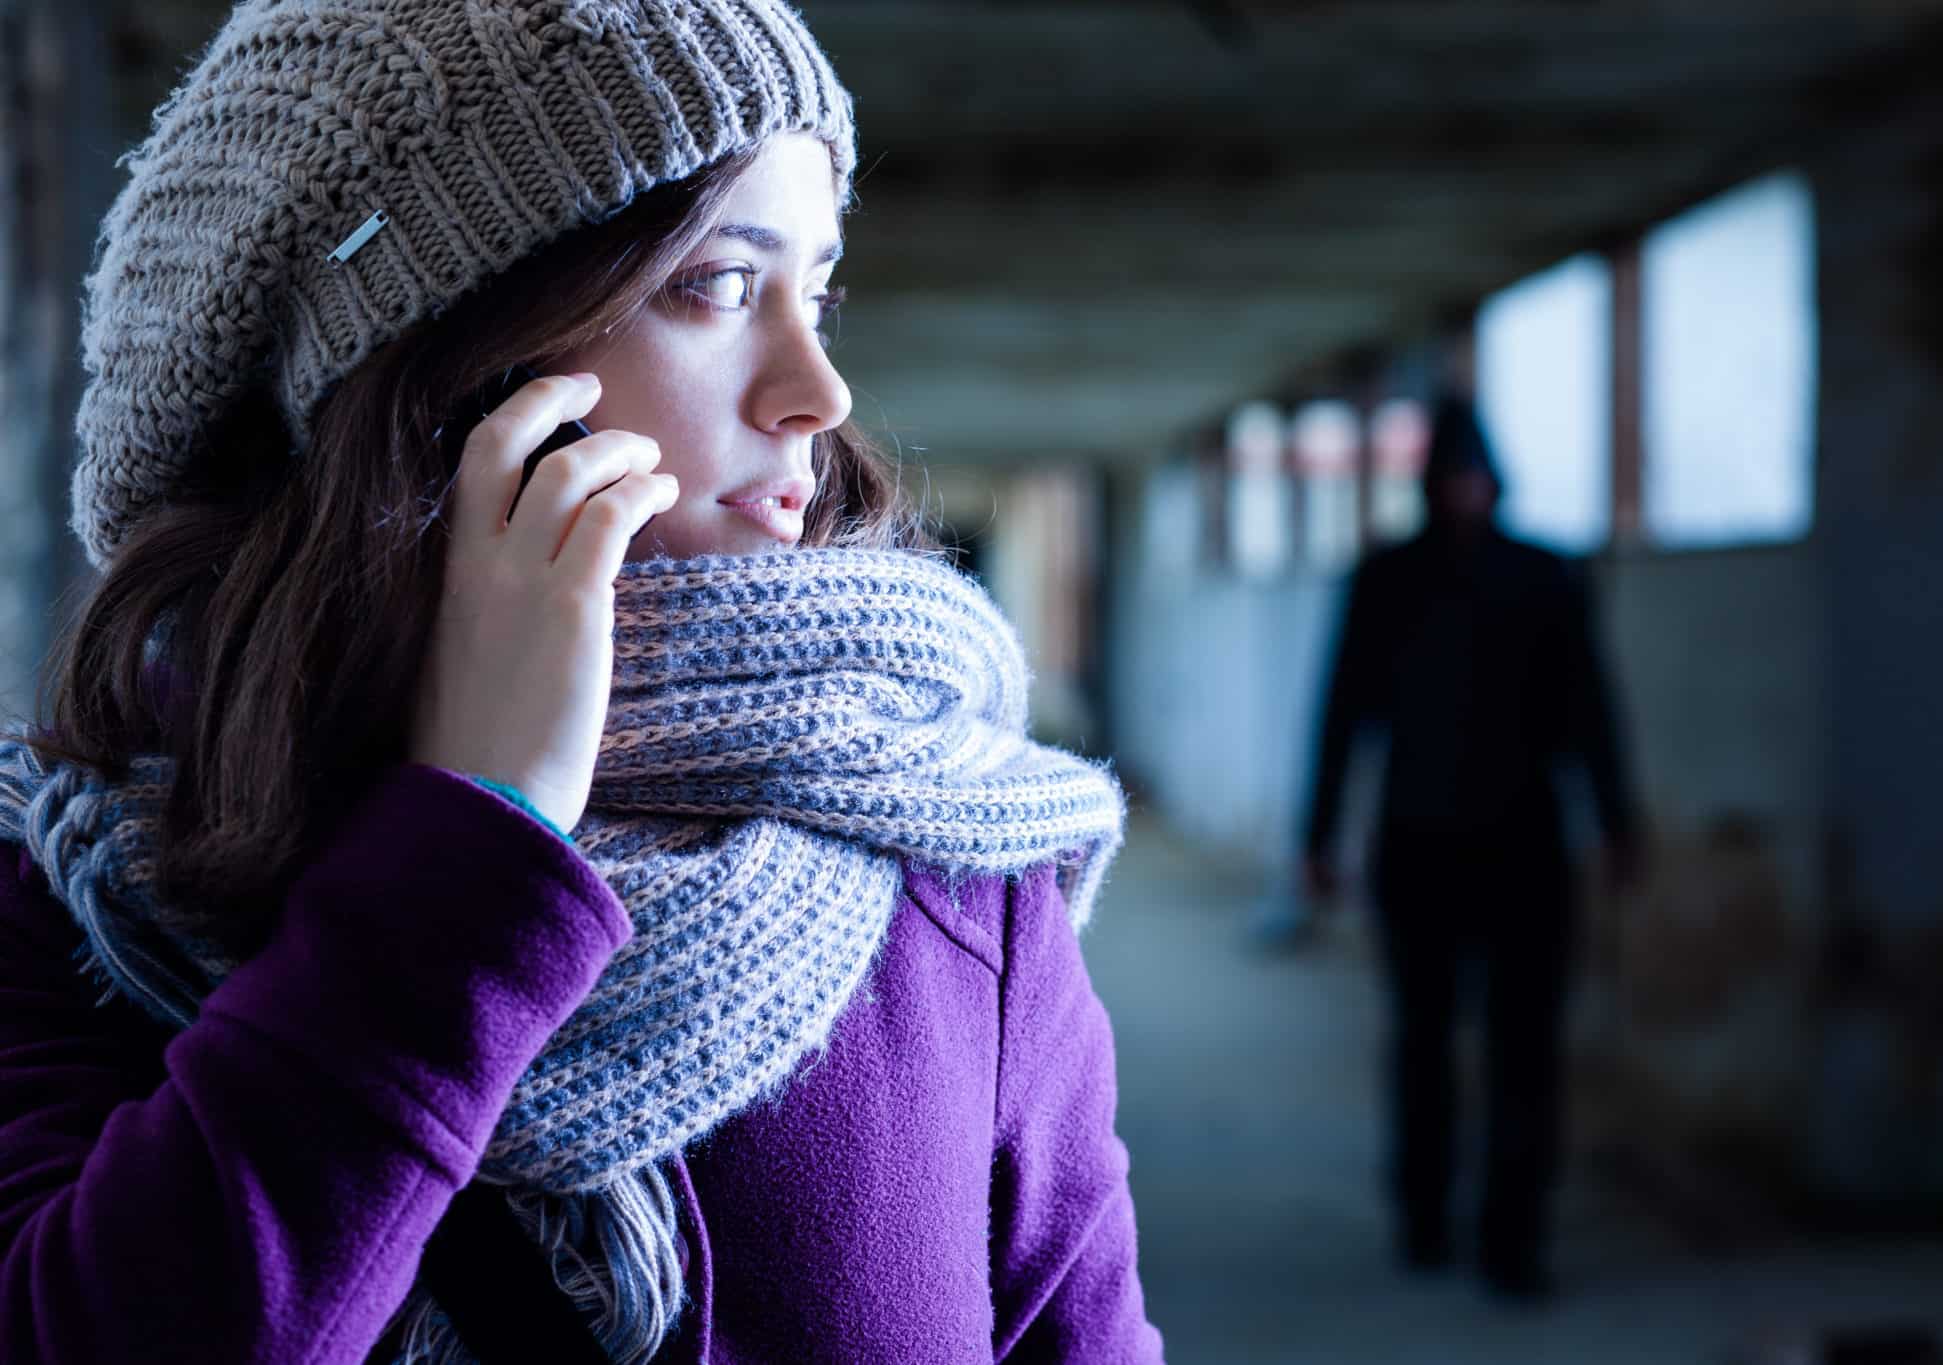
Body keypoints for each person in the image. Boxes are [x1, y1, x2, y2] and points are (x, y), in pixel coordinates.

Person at [0, 3, 1163, 1362]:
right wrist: (476, 828)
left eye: (820, 291)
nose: (818, 390)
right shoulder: (73, 895)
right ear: (446, 369)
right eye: (717, 286)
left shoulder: (951, 876)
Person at [1301, 393, 1641, 1302]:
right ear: (1428, 482)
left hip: (1527, 845)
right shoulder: (1387, 581)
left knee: (1523, 1047)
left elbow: (1590, 712)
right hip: (1416, 845)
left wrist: (1616, 822)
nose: (1463, 491)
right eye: (1450, 475)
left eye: (1474, 475)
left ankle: (1513, 1237)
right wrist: (1319, 834)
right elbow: (1340, 715)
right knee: (1423, 1039)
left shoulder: (1546, 578)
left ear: (1496, 480)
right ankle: (1422, 1215)